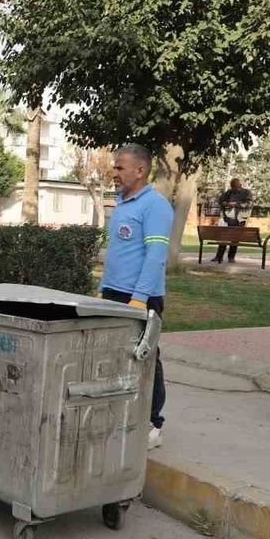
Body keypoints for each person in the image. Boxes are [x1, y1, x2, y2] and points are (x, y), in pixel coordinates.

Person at [98, 143, 173, 450]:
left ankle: (153, 423)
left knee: (146, 358)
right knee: (117, 357)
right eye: (115, 166)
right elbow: (119, 253)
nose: (114, 172)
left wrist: (140, 298)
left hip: (141, 297)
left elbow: (156, 256)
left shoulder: (154, 205)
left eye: (120, 167)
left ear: (140, 170)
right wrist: (103, 289)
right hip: (115, 293)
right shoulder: (122, 203)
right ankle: (124, 413)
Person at [212, 178, 252, 263]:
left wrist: (236, 204)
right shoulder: (228, 193)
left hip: (239, 219)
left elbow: (249, 204)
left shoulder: (246, 193)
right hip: (227, 218)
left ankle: (231, 257)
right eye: (233, 187)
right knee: (224, 238)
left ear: (240, 185)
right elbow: (221, 201)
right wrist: (225, 204)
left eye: (236, 187)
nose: (234, 189)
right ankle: (219, 257)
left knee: (235, 239)